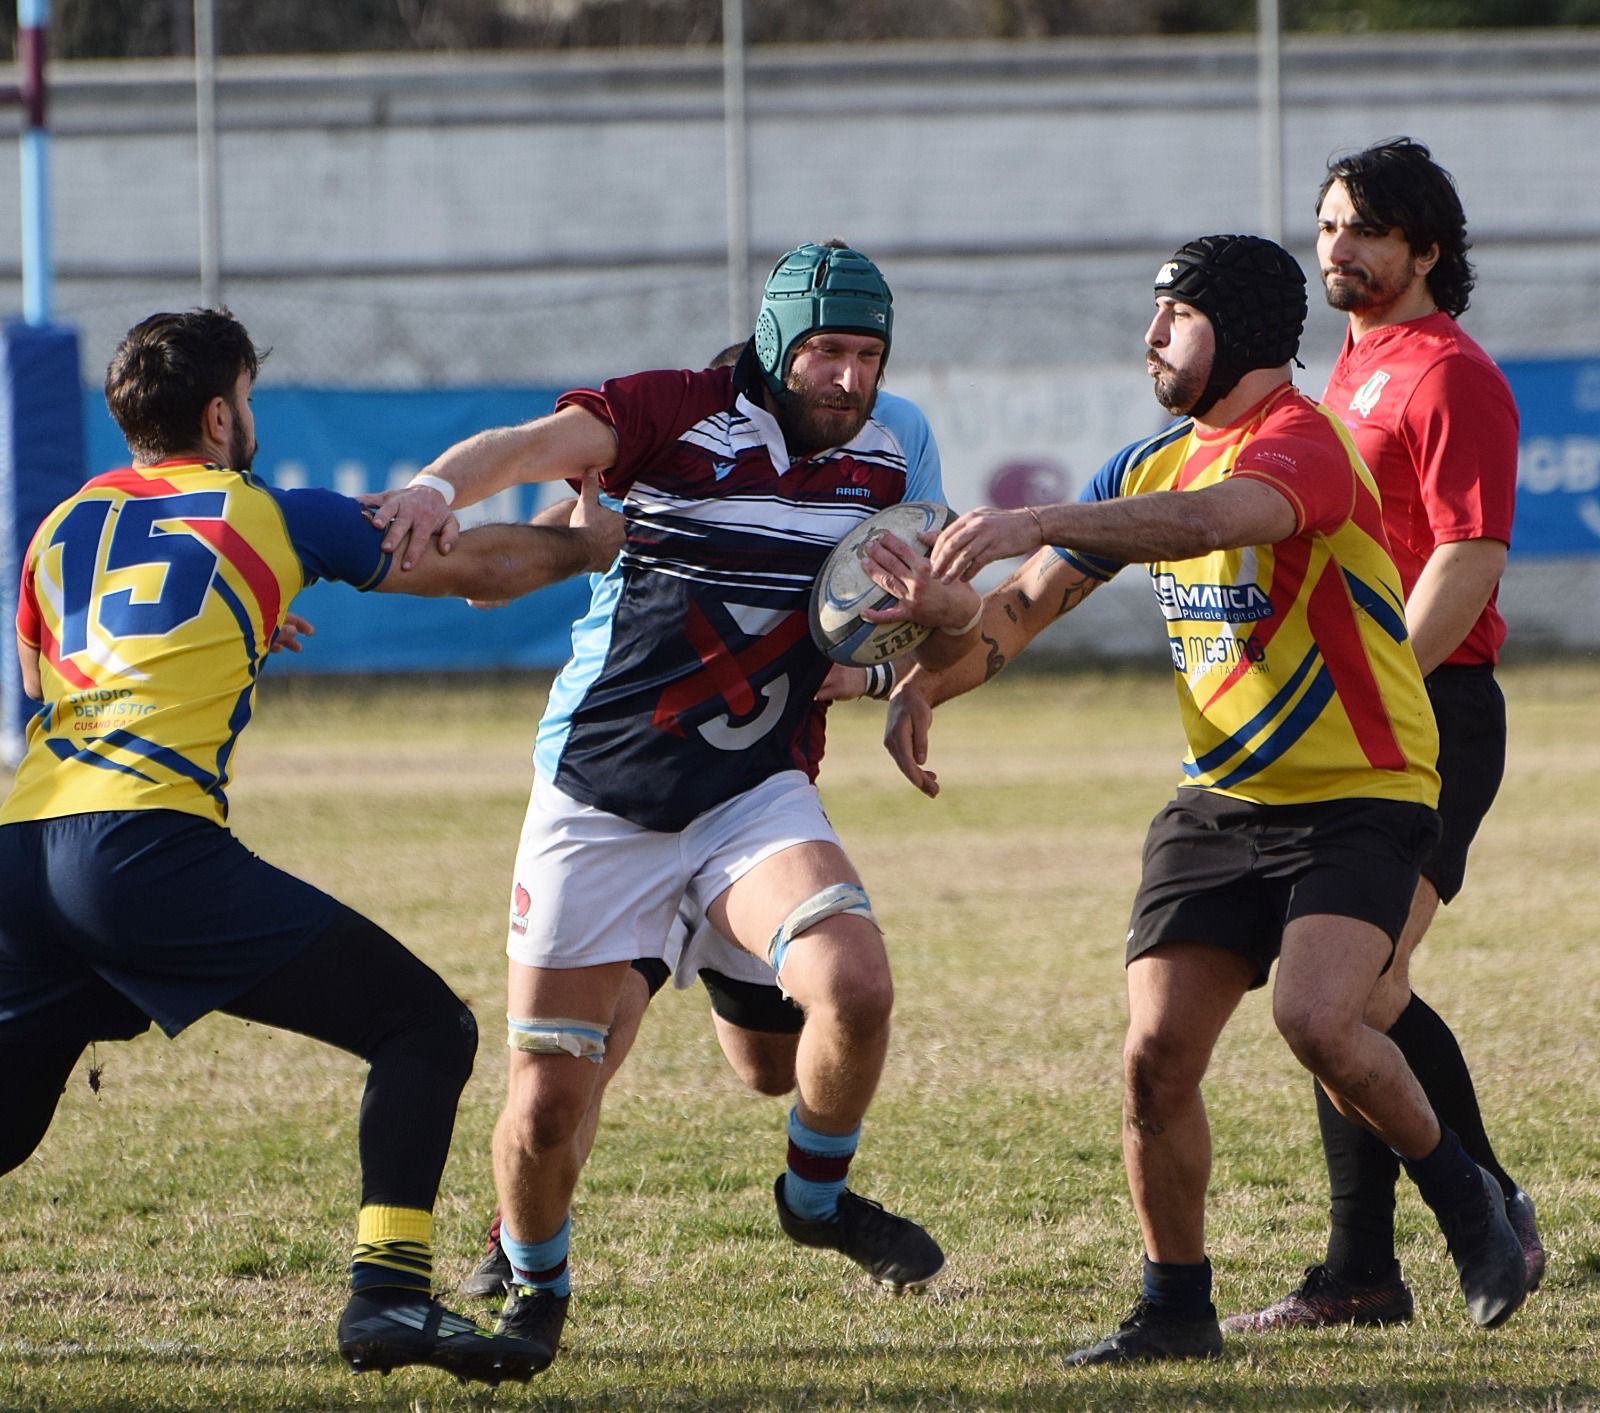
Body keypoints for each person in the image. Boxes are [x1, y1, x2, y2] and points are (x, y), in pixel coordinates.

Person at [864, 234, 1526, 1364]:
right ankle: (1175, 1306)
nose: (1151, 337)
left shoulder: (1307, 445)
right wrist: (929, 664)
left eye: (1175, 316)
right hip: (1220, 800)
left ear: (1244, 333)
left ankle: (1471, 1208)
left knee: (1319, 1022)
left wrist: (1038, 517)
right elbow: (1019, 613)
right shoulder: (1146, 462)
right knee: (1154, 1059)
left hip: (1361, 792)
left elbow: (1215, 520)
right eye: (1154, 315)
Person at [0, 308, 620, 1388]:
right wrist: (592, 544)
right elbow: (480, 567)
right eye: (247, 399)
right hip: (141, 848)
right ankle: (387, 1294)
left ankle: (390, 1297)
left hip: (22, 852)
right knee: (422, 1027)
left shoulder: (58, 526)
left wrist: (233, 624)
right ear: (218, 415)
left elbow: (58, 673)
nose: (253, 420)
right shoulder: (271, 513)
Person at [367, 240, 947, 1371]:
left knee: (828, 1013)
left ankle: (814, 1200)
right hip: (604, 797)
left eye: (867, 356)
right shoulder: (664, 418)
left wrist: (901, 658)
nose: (847, 379)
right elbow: (529, 450)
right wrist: (434, 489)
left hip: (751, 794)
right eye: (826, 352)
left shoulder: (891, 449)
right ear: (775, 348)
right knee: (552, 1100)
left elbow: (920, 604)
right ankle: (530, 1273)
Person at [1218, 139, 1538, 1333]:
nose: (1337, 247)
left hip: (1429, 710)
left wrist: (1377, 682)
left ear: (1426, 250)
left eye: (1364, 229)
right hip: (1340, 720)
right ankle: (1365, 1271)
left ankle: (1472, 1216)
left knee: (1354, 990)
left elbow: (1468, 556)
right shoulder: (1342, 374)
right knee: (1340, 985)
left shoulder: (1449, 374)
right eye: (1327, 225)